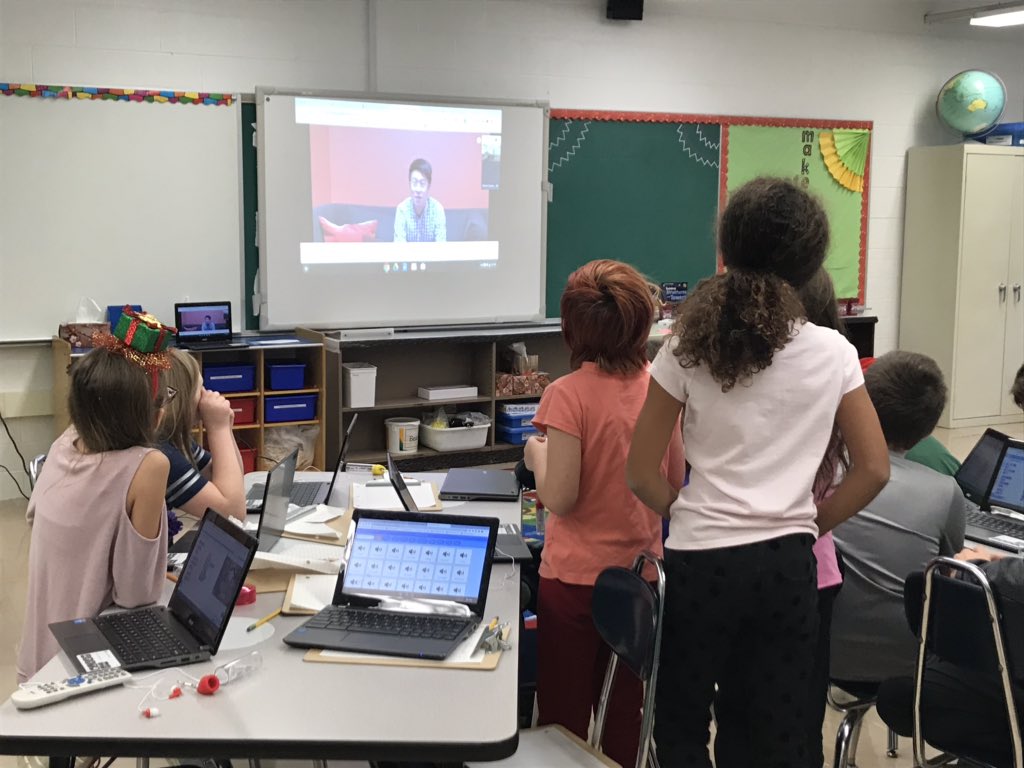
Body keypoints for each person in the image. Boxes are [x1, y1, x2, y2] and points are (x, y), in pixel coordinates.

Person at [626, 176, 890, 768]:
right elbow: (873, 468)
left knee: (683, 725)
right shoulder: (835, 352)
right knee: (776, 729)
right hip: (785, 564)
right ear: (811, 263)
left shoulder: (684, 345)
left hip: (702, 562)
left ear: (728, 249)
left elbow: (642, 473)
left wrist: (689, 511)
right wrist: (811, 523)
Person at [523, 259, 684, 768]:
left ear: (572, 328)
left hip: (573, 582)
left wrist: (536, 456)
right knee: (623, 717)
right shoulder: (659, 386)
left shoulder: (566, 395)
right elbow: (674, 481)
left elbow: (562, 496)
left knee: (564, 719)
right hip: (640, 582)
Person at [713, 267, 851, 768]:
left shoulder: (736, 371)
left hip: (745, 562)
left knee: (743, 714)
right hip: (807, 567)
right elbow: (864, 472)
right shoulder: (834, 371)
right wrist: (810, 525)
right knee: (793, 720)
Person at [17, 329, 172, 682]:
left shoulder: (66, 442)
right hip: (83, 667)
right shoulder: (148, 465)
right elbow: (137, 594)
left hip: (37, 658)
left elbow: (33, 515)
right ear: (151, 414)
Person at [829, 351, 970, 685]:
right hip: (910, 661)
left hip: (818, 650)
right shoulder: (945, 491)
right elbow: (950, 567)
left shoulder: (824, 473)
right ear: (929, 429)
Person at [156, 348, 246, 523]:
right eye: (200, 389)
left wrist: (225, 429)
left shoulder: (175, 439)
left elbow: (233, 483)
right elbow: (233, 514)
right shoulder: (161, 453)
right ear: (182, 399)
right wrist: (218, 429)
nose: (206, 394)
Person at [393, 158, 446, 243]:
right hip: (407, 256)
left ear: (428, 186)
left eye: (422, 183)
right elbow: (399, 247)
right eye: (414, 183)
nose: (418, 189)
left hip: (431, 256)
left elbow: (441, 245)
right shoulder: (402, 210)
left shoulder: (437, 210)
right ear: (409, 184)